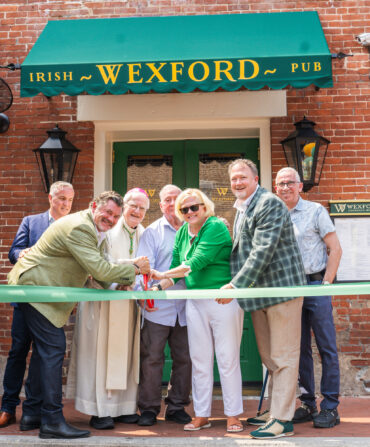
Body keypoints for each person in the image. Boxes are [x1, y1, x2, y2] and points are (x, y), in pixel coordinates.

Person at [7, 191, 150, 439]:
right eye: (107, 213)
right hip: (37, 289)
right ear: (94, 206)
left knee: (44, 354)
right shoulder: (80, 228)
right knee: (53, 350)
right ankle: (51, 421)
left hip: (42, 291)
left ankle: (32, 414)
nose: (112, 219)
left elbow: (100, 271)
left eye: (116, 216)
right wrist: (135, 269)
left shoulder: (96, 229)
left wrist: (120, 280)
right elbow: (100, 269)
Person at [221, 159, 306, 440]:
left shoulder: (268, 203)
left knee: (284, 356)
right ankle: (274, 410)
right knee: (270, 356)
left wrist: (235, 285)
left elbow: (262, 249)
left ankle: (283, 419)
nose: (237, 182)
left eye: (243, 177)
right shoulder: (243, 208)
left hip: (281, 290)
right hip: (259, 293)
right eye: (234, 178)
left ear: (256, 178)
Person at [151, 188, 244, 434]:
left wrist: (162, 276)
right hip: (194, 302)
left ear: (205, 206)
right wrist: (158, 285)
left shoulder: (214, 226)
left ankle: (233, 415)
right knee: (200, 360)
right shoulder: (182, 232)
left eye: (194, 207)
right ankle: (202, 414)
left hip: (221, 299)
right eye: (184, 209)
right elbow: (175, 267)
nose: (190, 212)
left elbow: (196, 262)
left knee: (227, 358)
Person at [67, 188, 150, 430]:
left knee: (125, 355)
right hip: (102, 301)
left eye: (142, 208)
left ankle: (123, 408)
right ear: (124, 207)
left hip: (127, 304)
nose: (136, 211)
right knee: (100, 355)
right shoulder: (106, 230)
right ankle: (99, 410)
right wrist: (131, 269)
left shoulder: (144, 233)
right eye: (133, 205)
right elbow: (98, 266)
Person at [0, 181, 75, 431]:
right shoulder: (31, 222)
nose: (65, 204)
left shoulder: (72, 226)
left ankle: (35, 410)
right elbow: (13, 252)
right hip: (26, 299)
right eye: (61, 198)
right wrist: (22, 254)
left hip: (52, 304)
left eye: (70, 200)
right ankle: (8, 407)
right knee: (18, 351)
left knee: (44, 356)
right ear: (50, 198)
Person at [275, 167, 342, 429]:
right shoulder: (274, 215)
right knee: (299, 349)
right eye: (280, 184)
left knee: (326, 348)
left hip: (315, 284)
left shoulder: (315, 211)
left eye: (290, 183)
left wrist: (326, 285)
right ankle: (307, 402)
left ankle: (330, 407)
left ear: (300, 186)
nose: (285, 188)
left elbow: (335, 249)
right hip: (289, 289)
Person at [135, 184, 192, 427]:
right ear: (161, 206)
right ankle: (148, 409)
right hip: (158, 307)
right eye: (167, 200)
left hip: (188, 308)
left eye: (176, 199)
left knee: (185, 358)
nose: (172, 204)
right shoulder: (153, 232)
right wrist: (143, 297)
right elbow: (143, 270)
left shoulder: (194, 228)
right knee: (152, 358)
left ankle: (177, 406)